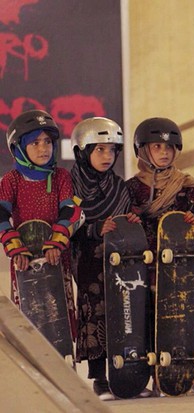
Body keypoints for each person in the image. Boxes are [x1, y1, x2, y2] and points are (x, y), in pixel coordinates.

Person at [125, 117, 194, 394]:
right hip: (144, 264)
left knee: (185, 314)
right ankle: (149, 372)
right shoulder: (131, 187)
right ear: (143, 151)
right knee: (147, 316)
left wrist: (193, 216)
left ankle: (191, 371)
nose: (164, 152)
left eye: (169, 147)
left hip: (179, 264)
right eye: (156, 147)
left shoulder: (187, 184)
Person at [69, 117, 146, 400]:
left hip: (120, 261)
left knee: (126, 311)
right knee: (96, 312)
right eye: (99, 149)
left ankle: (127, 373)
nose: (107, 156)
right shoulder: (71, 185)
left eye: (112, 150)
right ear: (82, 152)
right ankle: (100, 377)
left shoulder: (118, 186)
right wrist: (94, 228)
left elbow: (126, 218)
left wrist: (131, 219)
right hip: (89, 262)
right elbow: (67, 225)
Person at [0, 109, 84, 358]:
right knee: (30, 312)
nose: (43, 148)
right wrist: (15, 249)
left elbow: (70, 211)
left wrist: (57, 243)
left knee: (60, 314)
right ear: (19, 148)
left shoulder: (60, 177)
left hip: (56, 257)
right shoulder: (10, 181)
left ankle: (64, 363)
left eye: (47, 141)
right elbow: (1, 216)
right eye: (35, 143)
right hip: (24, 261)